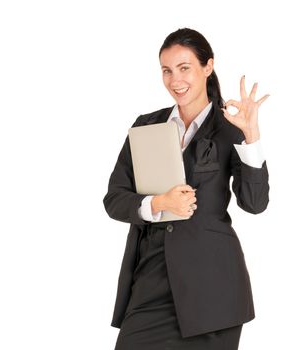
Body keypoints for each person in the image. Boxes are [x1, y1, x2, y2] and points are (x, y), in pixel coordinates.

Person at [103, 27, 270, 350]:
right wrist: (157, 202)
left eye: (184, 68)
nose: (174, 80)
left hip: (212, 289)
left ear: (207, 67)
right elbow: (115, 199)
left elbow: (254, 202)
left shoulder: (229, 128)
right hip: (150, 282)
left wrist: (251, 137)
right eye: (166, 70)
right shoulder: (146, 126)